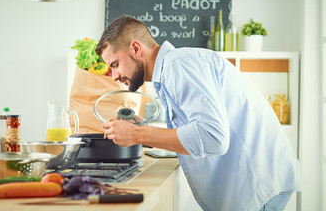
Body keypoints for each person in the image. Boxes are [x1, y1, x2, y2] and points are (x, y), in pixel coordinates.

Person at [95, 15, 303, 211]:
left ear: (136, 48)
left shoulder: (179, 66)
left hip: (258, 187)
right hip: (255, 184)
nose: (113, 76)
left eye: (115, 65)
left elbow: (213, 137)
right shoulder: (171, 70)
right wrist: (143, 130)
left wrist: (137, 135)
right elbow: (195, 128)